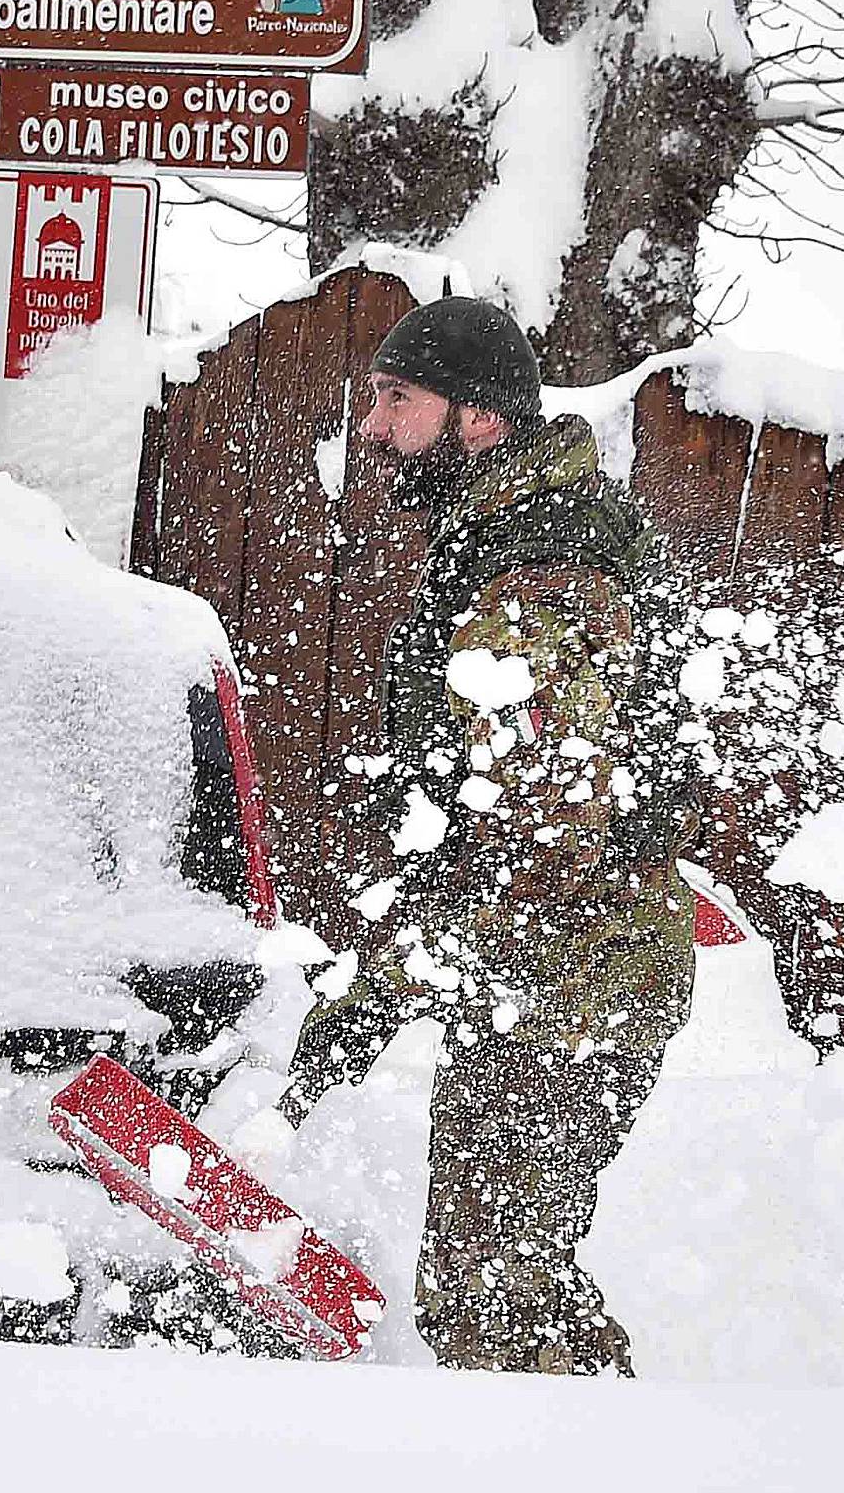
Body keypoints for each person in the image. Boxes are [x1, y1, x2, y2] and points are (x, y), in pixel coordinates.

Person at [270, 295, 696, 1375]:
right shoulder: (504, 542)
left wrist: (375, 993)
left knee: (497, 1308)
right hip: (548, 973)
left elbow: (541, 835)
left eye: (397, 400)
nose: (371, 428)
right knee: (503, 1296)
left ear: (481, 420)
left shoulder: (538, 572)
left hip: (575, 979)